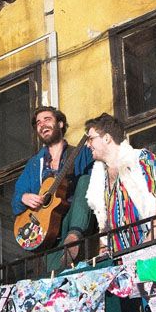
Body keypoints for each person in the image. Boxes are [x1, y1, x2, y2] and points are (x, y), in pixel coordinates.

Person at [12, 106, 95, 271]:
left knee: (86, 180)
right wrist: (24, 198)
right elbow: (15, 202)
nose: (42, 125)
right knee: (56, 276)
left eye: (47, 119)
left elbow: (98, 181)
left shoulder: (81, 153)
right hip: (48, 230)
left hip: (76, 217)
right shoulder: (34, 164)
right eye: (38, 123)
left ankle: (73, 238)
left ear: (61, 124)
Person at [83, 113, 156, 253]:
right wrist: (104, 247)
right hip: (124, 258)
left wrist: (152, 237)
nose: (87, 144)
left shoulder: (142, 158)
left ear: (106, 138)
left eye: (90, 139)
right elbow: (105, 221)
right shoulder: (100, 179)